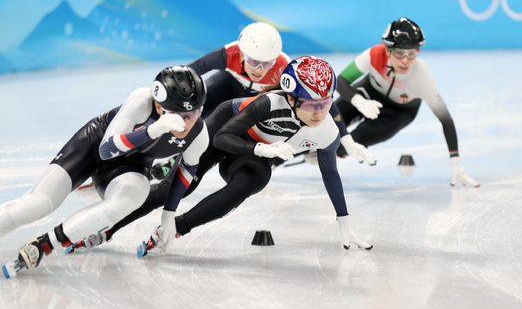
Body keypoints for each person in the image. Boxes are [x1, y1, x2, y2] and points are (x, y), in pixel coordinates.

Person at [89, 56, 372, 257]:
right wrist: (262, 149)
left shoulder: (326, 131)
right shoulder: (269, 103)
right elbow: (224, 137)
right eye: (311, 104)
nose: (319, 112)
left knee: (255, 180)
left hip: (251, 156)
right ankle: (108, 228)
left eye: (325, 102)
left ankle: (176, 229)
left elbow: (330, 173)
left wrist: (343, 220)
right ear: (291, 98)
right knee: (176, 188)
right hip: (225, 129)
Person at [0, 66, 209, 276]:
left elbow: (187, 167)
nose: (186, 122)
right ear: (158, 104)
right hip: (93, 146)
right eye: (176, 114)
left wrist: (168, 214)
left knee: (135, 194)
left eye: (194, 112)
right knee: (38, 204)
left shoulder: (199, 135)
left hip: (131, 168)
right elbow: (106, 149)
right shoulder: (141, 101)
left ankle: (48, 242)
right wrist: (152, 130)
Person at [151, 22, 375, 179]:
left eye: (267, 63)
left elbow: (321, 98)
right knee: (196, 108)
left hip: (255, 98)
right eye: (253, 62)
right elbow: (190, 72)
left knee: (225, 130)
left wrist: (345, 138)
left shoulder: (283, 67)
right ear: (241, 54)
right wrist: (163, 97)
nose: (259, 69)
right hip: (229, 83)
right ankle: (159, 150)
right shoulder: (228, 53)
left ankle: (182, 160)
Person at [334, 17, 479, 187]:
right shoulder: (375, 54)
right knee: (328, 119)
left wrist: (456, 163)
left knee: (354, 141)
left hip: (399, 112)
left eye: (412, 53)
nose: (405, 60)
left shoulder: (421, 75)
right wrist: (357, 100)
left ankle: (332, 153)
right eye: (399, 52)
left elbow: (445, 119)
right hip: (368, 93)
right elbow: (341, 80)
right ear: (387, 50)